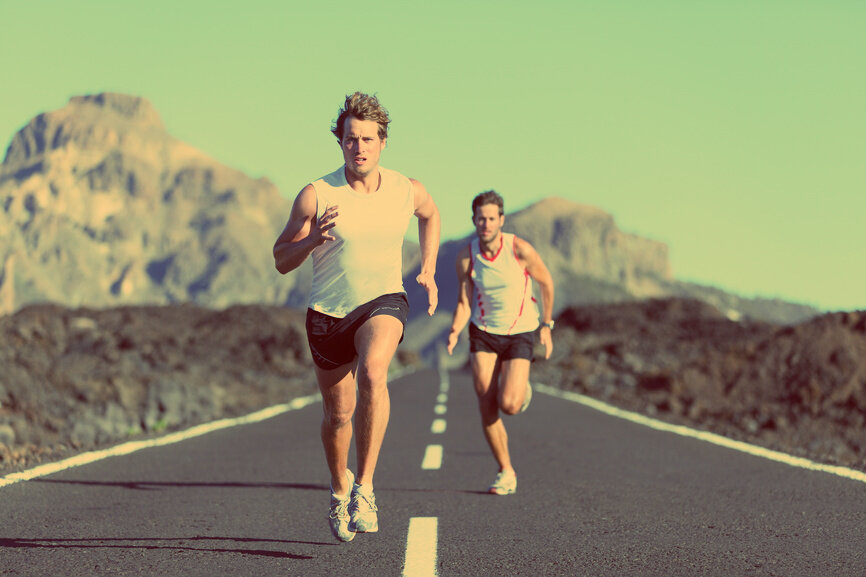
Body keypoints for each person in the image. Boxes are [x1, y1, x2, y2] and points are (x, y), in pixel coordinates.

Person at [273, 92, 440, 542]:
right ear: (340, 142)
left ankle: (364, 487)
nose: (359, 147)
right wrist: (312, 240)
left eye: (367, 139)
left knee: (373, 373)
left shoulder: (406, 189)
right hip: (328, 314)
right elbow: (281, 259)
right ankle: (339, 487)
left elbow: (430, 215)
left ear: (383, 142)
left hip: (383, 301)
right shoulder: (317, 194)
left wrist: (427, 267)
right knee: (338, 415)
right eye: (350, 139)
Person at [446, 190, 554, 495]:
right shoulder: (467, 256)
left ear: (501, 220)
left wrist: (547, 325)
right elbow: (464, 301)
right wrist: (455, 330)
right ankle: (506, 471)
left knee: (509, 404)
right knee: (485, 400)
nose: (486, 224)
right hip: (483, 332)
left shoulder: (519, 249)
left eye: (492, 218)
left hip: (520, 331)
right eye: (481, 219)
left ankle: (519, 390)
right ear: (474, 220)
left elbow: (546, 283)